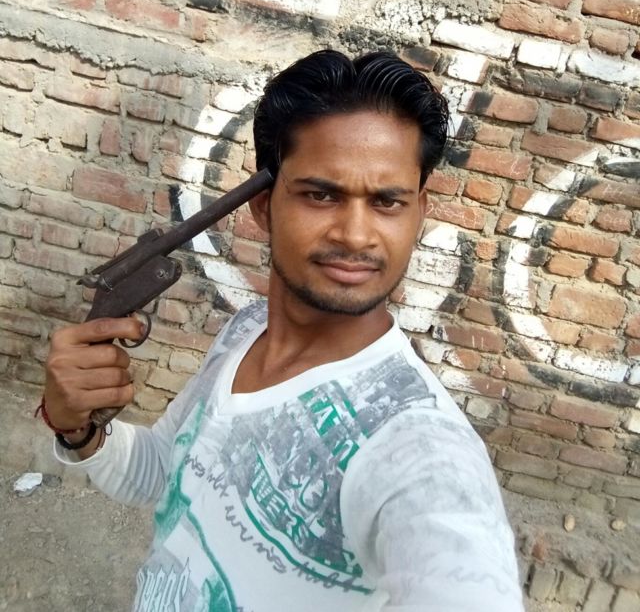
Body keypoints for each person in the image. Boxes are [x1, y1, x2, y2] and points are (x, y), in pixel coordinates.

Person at [42, 50, 524, 611]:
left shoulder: (424, 452)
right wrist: (77, 428)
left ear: (419, 212)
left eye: (387, 201)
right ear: (263, 207)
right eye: (322, 194)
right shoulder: (246, 331)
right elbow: (162, 473)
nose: (356, 235)